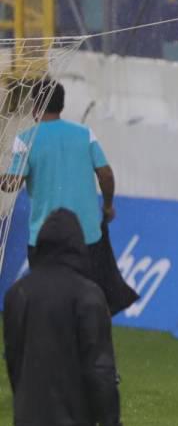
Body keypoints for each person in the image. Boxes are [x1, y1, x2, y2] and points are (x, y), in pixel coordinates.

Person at [4, 209, 123, 426]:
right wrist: (111, 425)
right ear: (76, 246)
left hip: (29, 420)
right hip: (71, 423)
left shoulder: (17, 293)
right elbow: (100, 366)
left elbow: (14, 359)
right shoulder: (88, 295)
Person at [2, 79, 137, 315]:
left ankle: (53, 346)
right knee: (88, 302)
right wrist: (107, 206)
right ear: (61, 105)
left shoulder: (25, 140)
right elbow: (105, 174)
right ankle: (89, 346)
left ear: (36, 105)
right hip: (85, 236)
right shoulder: (85, 134)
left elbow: (12, 183)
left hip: (45, 239)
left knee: (49, 304)